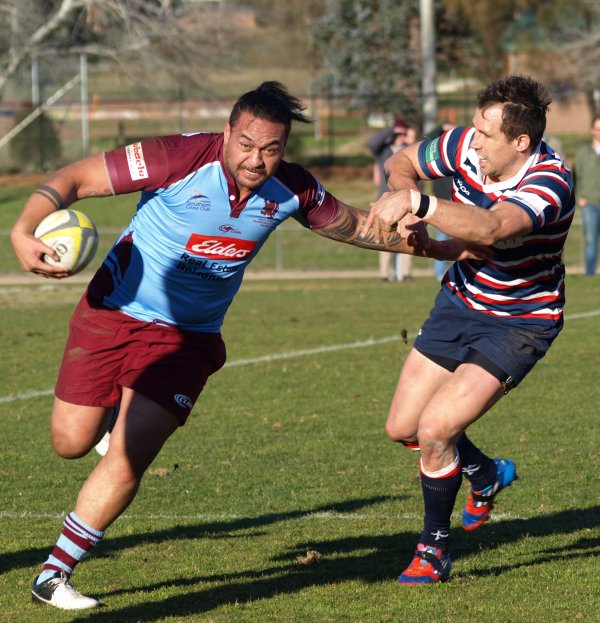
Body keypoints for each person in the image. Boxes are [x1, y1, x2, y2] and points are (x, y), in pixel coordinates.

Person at [10, 81, 476, 610]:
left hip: (189, 340)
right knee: (71, 442)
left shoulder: (292, 189)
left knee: (129, 456)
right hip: (112, 315)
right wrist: (23, 229)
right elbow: (73, 178)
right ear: (228, 132)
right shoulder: (176, 157)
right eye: (247, 144)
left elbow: (360, 228)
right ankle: (116, 405)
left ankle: (54, 573)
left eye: (272, 149)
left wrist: (448, 247)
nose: (257, 160)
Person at [365, 75, 575, 585]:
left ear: (520, 143)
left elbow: (492, 228)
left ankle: (433, 550)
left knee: (436, 430)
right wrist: (406, 190)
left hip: (520, 322)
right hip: (459, 302)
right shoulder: (463, 144)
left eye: (486, 134)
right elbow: (403, 162)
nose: (472, 140)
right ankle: (483, 471)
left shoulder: (551, 182)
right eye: (476, 127)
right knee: (403, 429)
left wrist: (418, 207)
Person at [367, 117, 417, 281]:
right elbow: (371, 144)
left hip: (405, 201)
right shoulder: (384, 149)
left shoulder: (407, 149)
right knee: (384, 238)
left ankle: (406, 273)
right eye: (400, 132)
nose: (401, 135)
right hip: (385, 199)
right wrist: (390, 131)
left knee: (407, 237)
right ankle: (385, 273)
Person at [427, 122, 456, 280]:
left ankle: (456, 272)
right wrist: (441, 127)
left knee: (460, 239)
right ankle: (439, 273)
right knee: (442, 238)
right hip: (441, 204)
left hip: (458, 203)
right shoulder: (437, 154)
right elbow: (428, 138)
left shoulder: (459, 153)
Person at [574, 115, 600, 276]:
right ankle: (589, 274)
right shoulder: (583, 152)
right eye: (598, 129)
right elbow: (575, 177)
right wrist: (580, 197)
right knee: (591, 242)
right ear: (592, 131)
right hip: (589, 204)